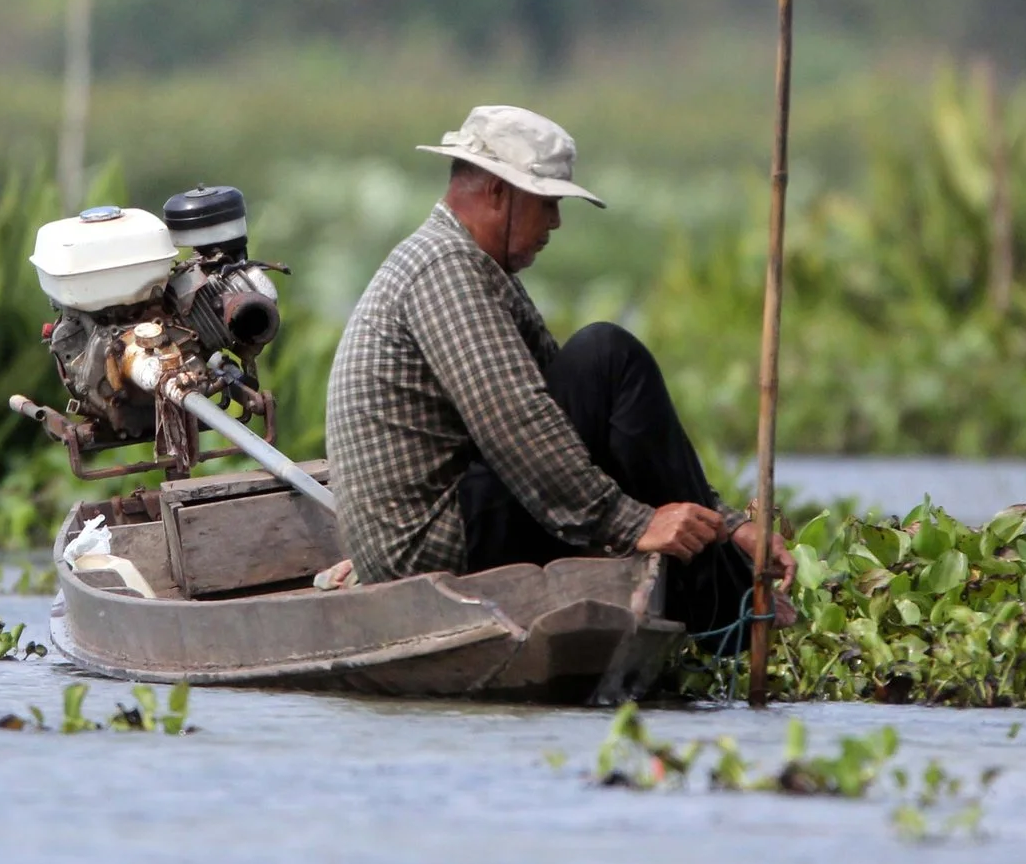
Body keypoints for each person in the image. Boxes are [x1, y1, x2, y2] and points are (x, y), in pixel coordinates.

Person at [323, 104, 791, 641]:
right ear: (499, 192)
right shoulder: (444, 268)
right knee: (608, 355)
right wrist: (635, 523)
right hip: (428, 549)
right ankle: (732, 609)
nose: (556, 223)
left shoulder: (472, 265)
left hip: (456, 521)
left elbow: (574, 417)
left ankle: (721, 573)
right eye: (546, 203)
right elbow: (516, 423)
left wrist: (728, 522)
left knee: (605, 369)